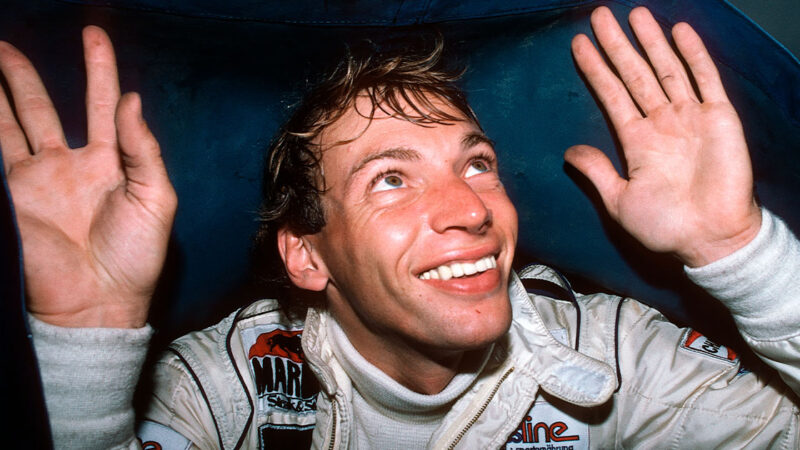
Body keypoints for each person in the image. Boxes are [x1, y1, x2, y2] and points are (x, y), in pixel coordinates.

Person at [2, 5, 799, 449]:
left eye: (476, 162)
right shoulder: (225, 392)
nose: (470, 209)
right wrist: (89, 343)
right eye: (391, 179)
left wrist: (739, 253)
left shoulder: (611, 355)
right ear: (307, 256)